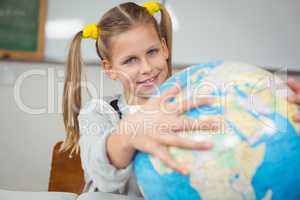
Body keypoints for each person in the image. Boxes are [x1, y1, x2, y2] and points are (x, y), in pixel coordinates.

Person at [61, 1, 219, 197]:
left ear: (164, 48)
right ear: (109, 69)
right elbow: (100, 173)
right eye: (130, 60)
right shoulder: (100, 111)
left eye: (152, 52)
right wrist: (129, 133)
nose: (146, 68)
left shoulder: (189, 103)